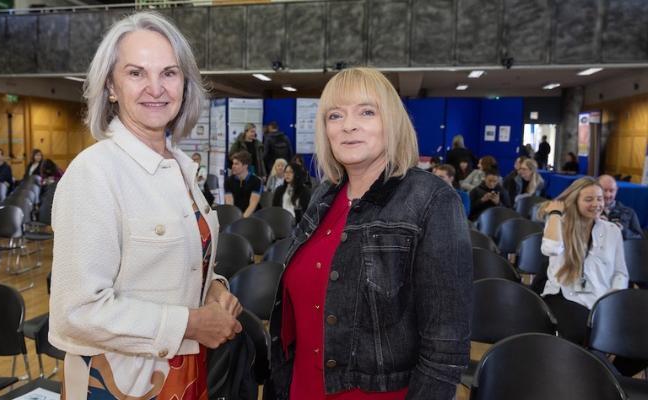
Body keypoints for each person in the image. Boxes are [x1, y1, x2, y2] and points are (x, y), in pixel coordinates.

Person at [50, 12, 242, 400]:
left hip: (185, 366)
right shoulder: (95, 172)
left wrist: (211, 291)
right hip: (120, 380)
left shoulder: (179, 168)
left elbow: (169, 266)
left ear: (185, 84)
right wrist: (191, 323)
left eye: (169, 73)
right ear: (111, 86)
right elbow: (77, 313)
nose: (156, 88)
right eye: (137, 73)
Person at [269, 67, 472, 399]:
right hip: (302, 386)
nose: (348, 125)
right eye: (336, 115)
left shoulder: (431, 200)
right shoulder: (325, 195)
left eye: (366, 111)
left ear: (390, 122)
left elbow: (446, 349)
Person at [538, 177, 628, 345]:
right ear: (574, 201)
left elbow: (620, 272)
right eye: (589, 199)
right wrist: (555, 214)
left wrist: (612, 299)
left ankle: (609, 370)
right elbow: (551, 248)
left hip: (602, 297)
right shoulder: (559, 223)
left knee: (639, 339)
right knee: (586, 338)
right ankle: (604, 370)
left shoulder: (612, 231)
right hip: (565, 296)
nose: (596, 204)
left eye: (599, 199)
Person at [597, 174, 644, 240]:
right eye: (604, 190)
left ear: (616, 190)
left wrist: (623, 231)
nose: (608, 195)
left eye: (611, 191)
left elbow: (639, 237)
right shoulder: (589, 211)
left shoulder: (629, 212)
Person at [224, 151, 263, 217]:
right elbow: (230, 203)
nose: (233, 166)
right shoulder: (228, 181)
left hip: (252, 215)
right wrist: (234, 217)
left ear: (245, 166)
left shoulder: (256, 181)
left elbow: (253, 204)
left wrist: (242, 219)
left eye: (236, 164)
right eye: (233, 163)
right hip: (235, 214)